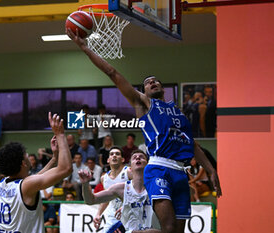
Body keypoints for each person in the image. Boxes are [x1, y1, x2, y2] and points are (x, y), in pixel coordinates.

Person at [67, 29, 222, 233]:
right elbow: (112, 73)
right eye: (148, 82)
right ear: (144, 91)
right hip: (159, 168)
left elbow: (193, 145)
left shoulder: (178, 112)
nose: (153, 82)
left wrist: (211, 171)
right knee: (166, 227)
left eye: (156, 81)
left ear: (163, 88)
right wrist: (84, 47)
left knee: (177, 231)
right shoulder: (144, 105)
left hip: (180, 172)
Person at [0, 112, 72, 232]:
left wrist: (54, 158)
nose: (28, 154)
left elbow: (36, 177)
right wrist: (60, 135)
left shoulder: (4, 182)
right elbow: (66, 168)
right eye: (25, 154)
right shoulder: (27, 185)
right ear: (23, 163)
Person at [79, 150, 155, 233]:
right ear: (130, 166)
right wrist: (85, 184)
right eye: (134, 158)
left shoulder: (157, 186)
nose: (137, 158)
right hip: (116, 217)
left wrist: (126, 205)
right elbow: (91, 200)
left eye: (141, 157)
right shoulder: (118, 187)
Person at [94, 146, 131, 233]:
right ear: (108, 160)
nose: (114, 156)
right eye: (112, 154)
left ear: (122, 159)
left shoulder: (128, 172)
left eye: (117, 154)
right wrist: (98, 213)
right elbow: (106, 198)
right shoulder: (104, 178)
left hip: (130, 213)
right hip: (113, 215)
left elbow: (138, 192)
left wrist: (125, 206)